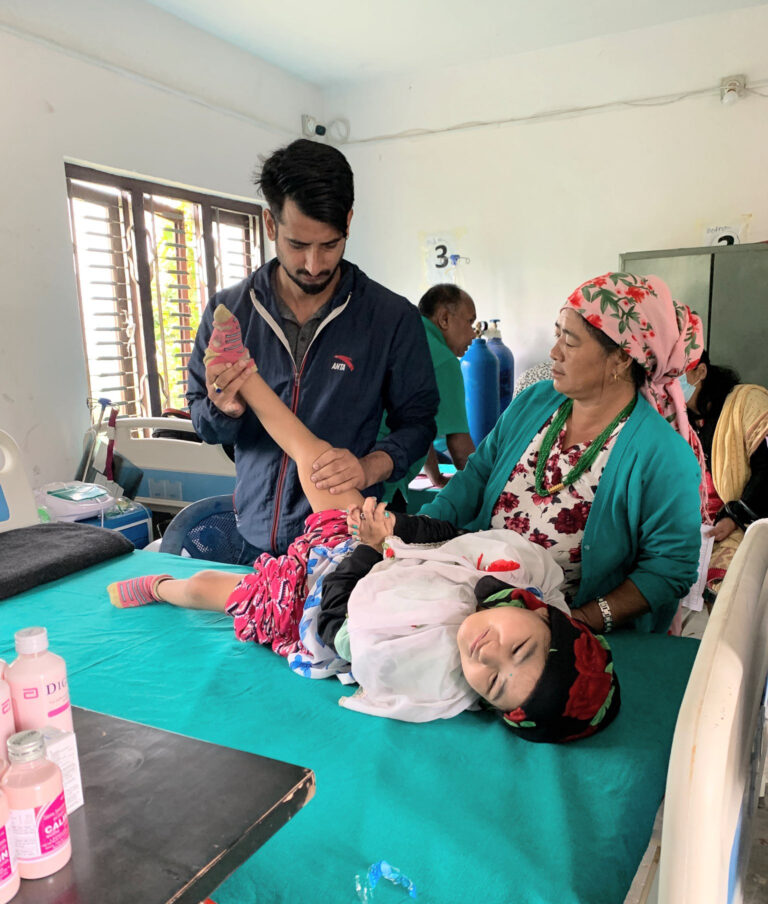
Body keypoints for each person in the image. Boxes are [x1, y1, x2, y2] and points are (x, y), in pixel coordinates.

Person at [109, 308, 620, 743]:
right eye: (520, 649)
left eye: (496, 685)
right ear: (542, 615)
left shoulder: (420, 667)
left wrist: (370, 550)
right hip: (370, 552)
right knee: (322, 462)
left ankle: (160, 585)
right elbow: (458, 540)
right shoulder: (519, 575)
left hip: (314, 602)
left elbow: (335, 625)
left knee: (219, 591)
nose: (491, 657)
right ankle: (242, 374)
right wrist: (393, 527)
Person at [185, 139, 439, 561]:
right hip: (256, 542)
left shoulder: (390, 318)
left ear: (349, 223)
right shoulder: (229, 314)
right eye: (298, 245)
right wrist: (223, 410)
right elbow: (203, 423)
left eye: (330, 244)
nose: (315, 264)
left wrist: (369, 466)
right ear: (270, 225)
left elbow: (417, 424)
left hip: (345, 542)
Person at [419, 272, 705, 635]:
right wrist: (416, 532)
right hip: (477, 606)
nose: (554, 352)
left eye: (569, 341)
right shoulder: (535, 402)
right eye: (557, 335)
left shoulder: (662, 455)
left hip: (572, 638)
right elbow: (476, 477)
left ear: (620, 357)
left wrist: (578, 620)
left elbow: (669, 570)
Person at [683, 350, 768, 598]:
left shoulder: (747, 402)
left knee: (724, 591)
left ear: (701, 371)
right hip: (698, 529)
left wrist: (735, 515)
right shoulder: (674, 418)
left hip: (747, 520)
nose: (670, 381)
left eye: (679, 372)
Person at [381, 284, 476, 507]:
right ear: (444, 319)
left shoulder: (405, 335)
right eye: (470, 322)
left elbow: (422, 424)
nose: (473, 333)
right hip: (384, 474)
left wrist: (435, 477)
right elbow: (460, 449)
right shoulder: (443, 360)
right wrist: (487, 498)